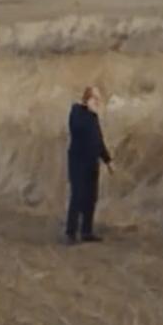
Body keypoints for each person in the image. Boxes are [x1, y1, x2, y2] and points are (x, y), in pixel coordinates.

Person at [65, 86, 114, 244]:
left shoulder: (93, 118)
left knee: (91, 198)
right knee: (78, 196)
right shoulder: (77, 113)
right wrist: (89, 111)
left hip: (92, 164)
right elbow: (77, 128)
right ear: (87, 99)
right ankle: (71, 232)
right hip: (78, 163)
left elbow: (99, 142)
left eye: (99, 100)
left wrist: (108, 161)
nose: (98, 103)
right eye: (95, 99)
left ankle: (87, 231)